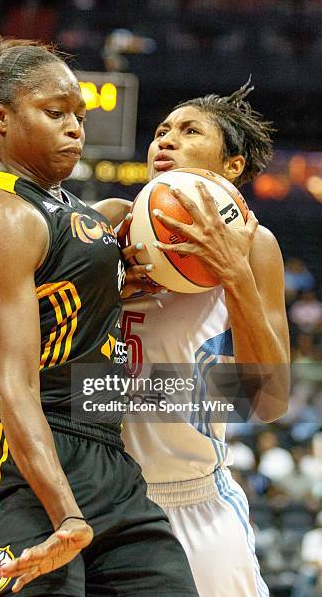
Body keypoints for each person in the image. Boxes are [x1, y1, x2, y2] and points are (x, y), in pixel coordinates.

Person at [0, 35, 198, 596]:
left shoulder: (80, 214)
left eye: (78, 115)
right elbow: (15, 387)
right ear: (0, 117)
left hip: (106, 458)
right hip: (11, 459)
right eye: (55, 112)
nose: (75, 128)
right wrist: (66, 515)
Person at [114, 83, 290, 597]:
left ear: (232, 165)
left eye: (189, 130)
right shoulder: (107, 223)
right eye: (160, 131)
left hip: (195, 502)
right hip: (104, 496)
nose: (165, 141)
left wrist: (235, 275)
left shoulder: (256, 245)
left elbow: (271, 398)